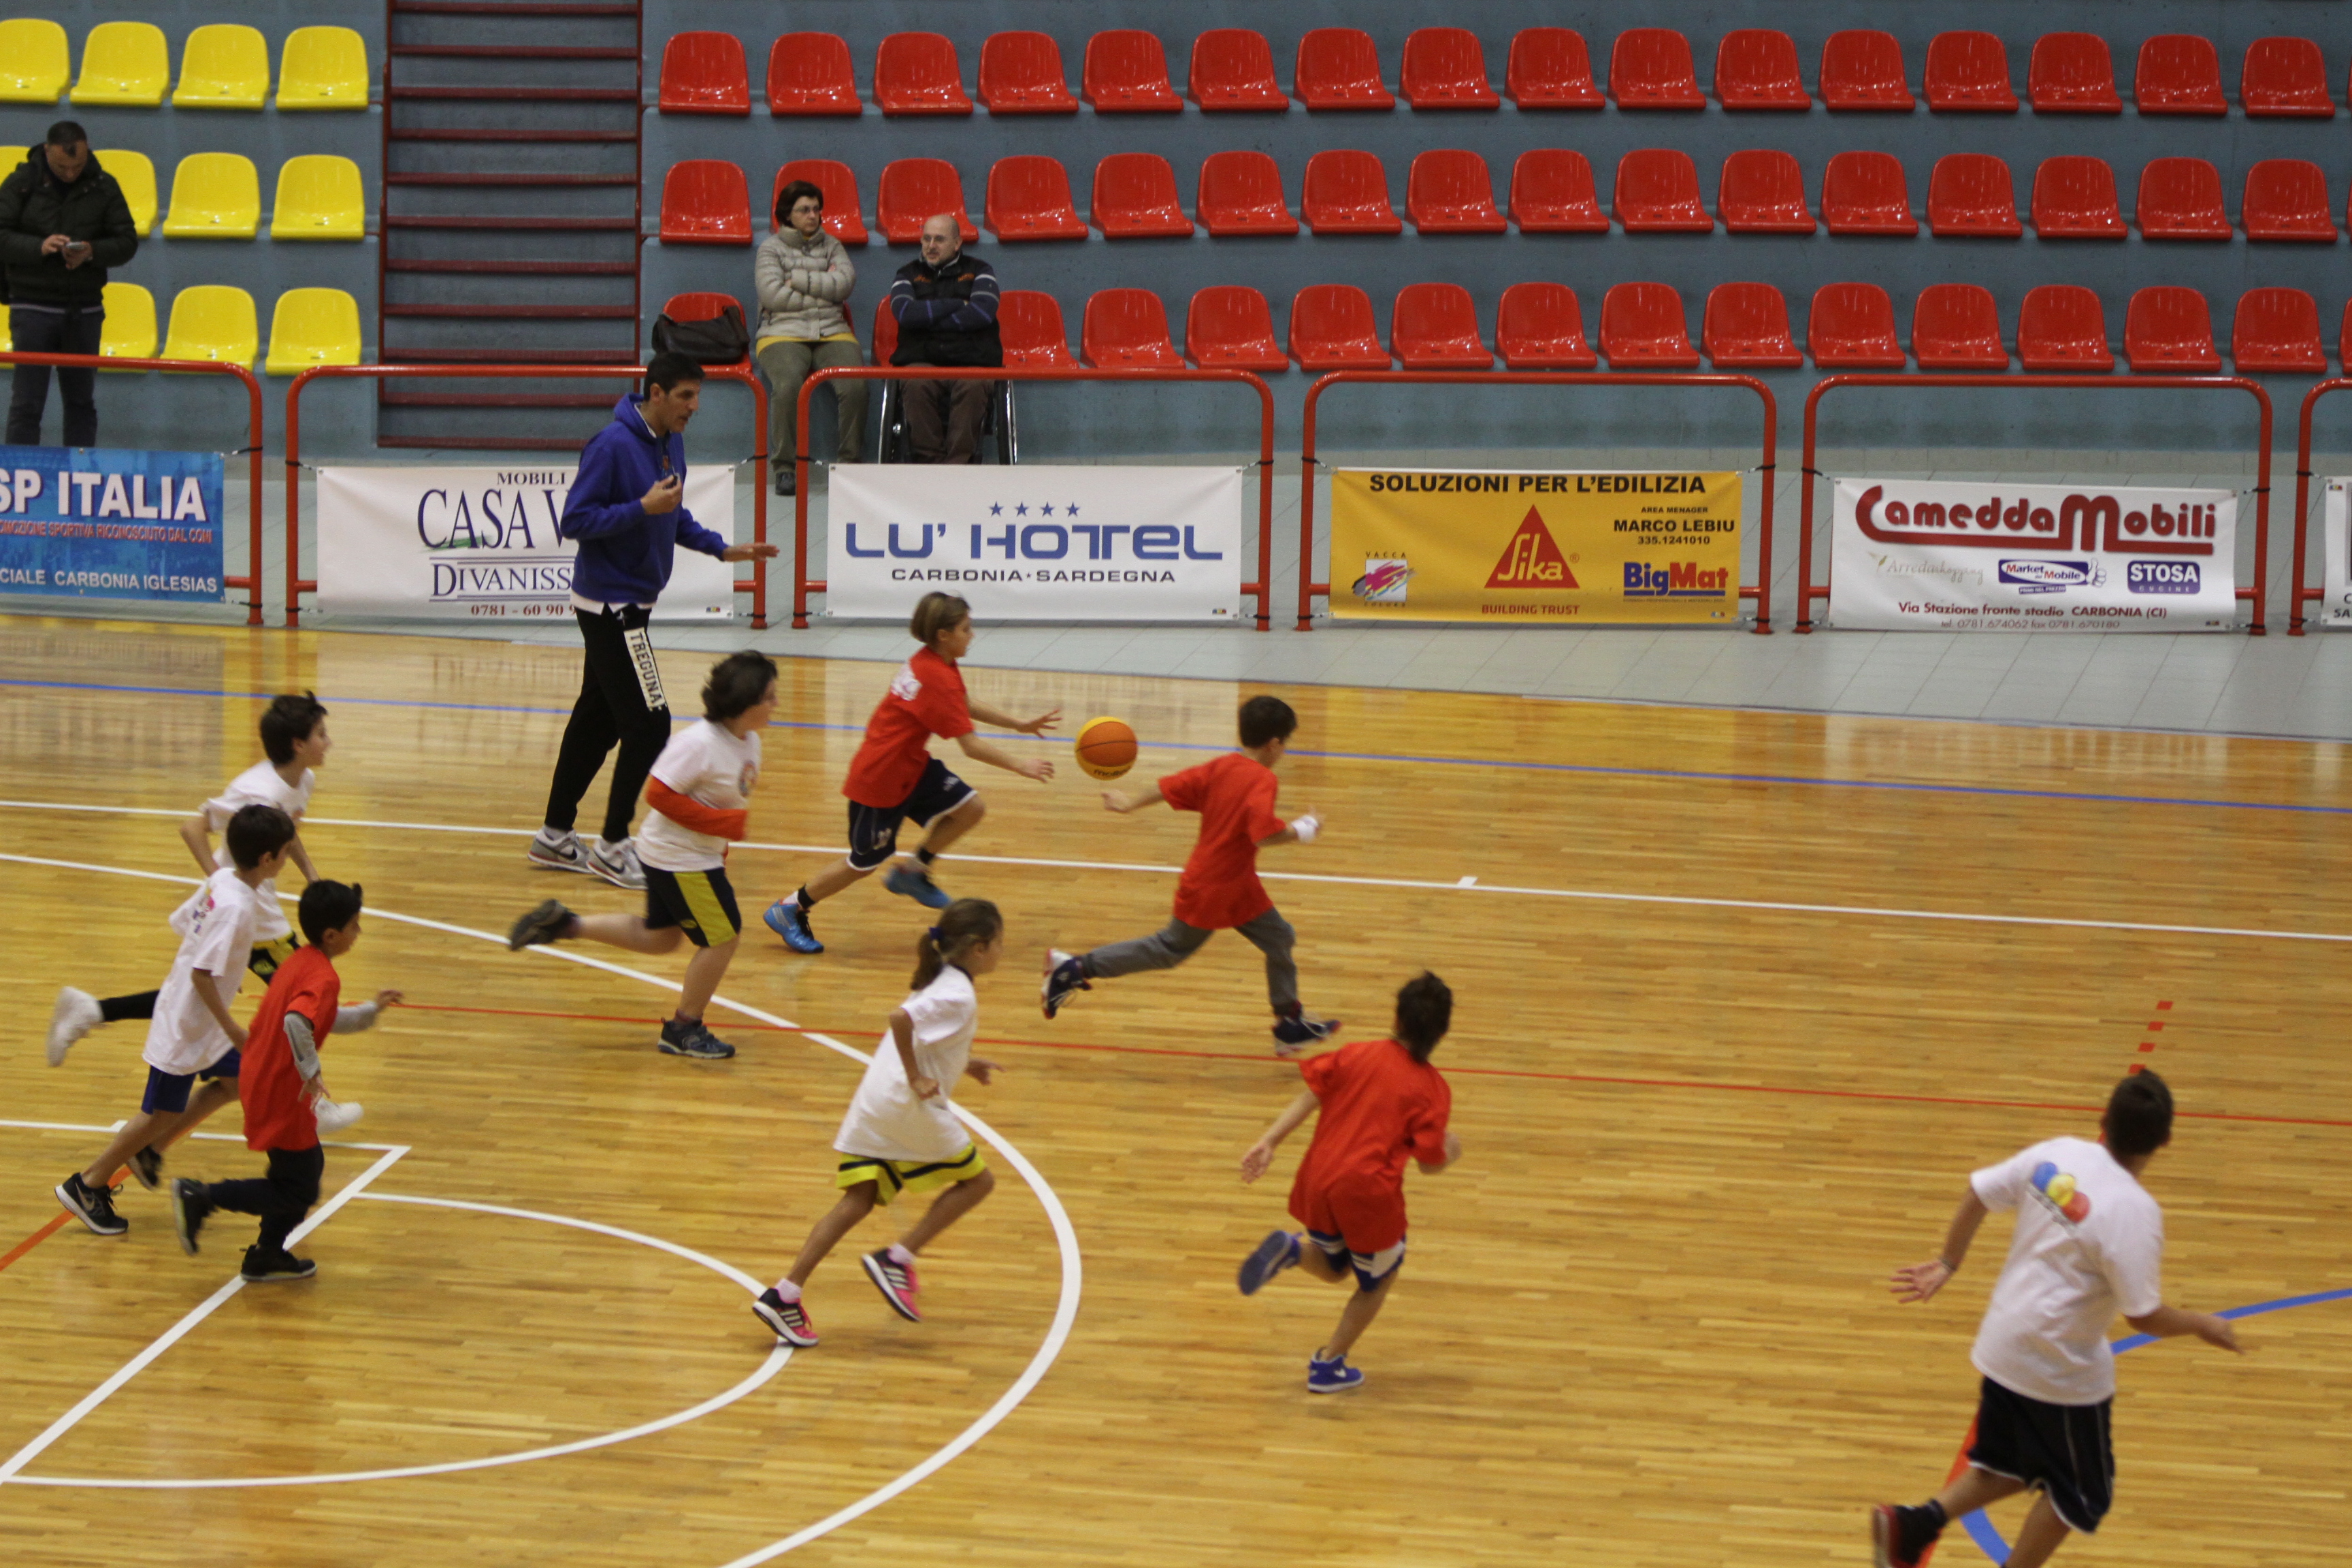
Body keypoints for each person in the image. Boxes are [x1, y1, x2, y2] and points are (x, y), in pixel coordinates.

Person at [1869, 1071, 2244, 1568]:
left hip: (2002, 1344)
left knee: (2005, 1463)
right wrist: (2203, 1324)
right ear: (2165, 1141)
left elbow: (1979, 1193)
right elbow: (2144, 1316)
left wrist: (1948, 1262)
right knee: (2083, 1494)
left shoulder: (2058, 1153)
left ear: (2103, 1121)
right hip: (2056, 1366)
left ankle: (1913, 1525)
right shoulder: (2135, 1212)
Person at [529, 353, 779, 891]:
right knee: (649, 724)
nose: (695, 406)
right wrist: (640, 508)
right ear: (657, 393)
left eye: (698, 396)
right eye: (686, 396)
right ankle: (613, 845)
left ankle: (554, 835)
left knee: (597, 721)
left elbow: (673, 513)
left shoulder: (670, 442)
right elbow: (575, 520)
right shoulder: (611, 446)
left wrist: (722, 549)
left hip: (632, 602)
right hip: (611, 606)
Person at [48, 693, 331, 1104]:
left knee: (192, 996)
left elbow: (286, 832)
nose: (329, 742)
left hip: (254, 903)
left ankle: (93, 1011)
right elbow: (192, 827)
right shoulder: (252, 790)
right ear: (298, 744)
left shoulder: (303, 780)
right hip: (246, 909)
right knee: (301, 997)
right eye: (321, 734)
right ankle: (313, 1102)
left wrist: (311, 877)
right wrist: (222, 884)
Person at [753, 898, 1006, 1347]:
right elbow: (901, 1019)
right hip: (905, 1105)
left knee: (859, 1199)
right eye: (1001, 943)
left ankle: (784, 1294)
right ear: (980, 948)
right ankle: (898, 1258)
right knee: (978, 1182)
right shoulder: (957, 993)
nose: (1003, 951)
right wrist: (917, 1077)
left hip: (876, 1099)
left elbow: (926, 1035)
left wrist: (965, 1063)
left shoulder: (943, 978)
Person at [510, 651, 777, 1060]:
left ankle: (566, 924)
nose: (776, 704)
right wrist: (723, 826)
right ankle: (684, 1028)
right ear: (745, 703)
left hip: (690, 856)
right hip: (680, 859)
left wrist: (721, 841)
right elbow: (659, 794)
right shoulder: (699, 744)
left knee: (661, 938)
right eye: (769, 697)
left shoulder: (749, 741)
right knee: (724, 937)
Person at [1041, 695, 1338, 1053]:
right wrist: (1305, 829)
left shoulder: (1222, 766)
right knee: (1170, 949)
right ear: (1274, 744)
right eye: (1285, 744)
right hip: (1215, 887)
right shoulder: (1262, 780)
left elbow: (1171, 785)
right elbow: (1264, 835)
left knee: (1279, 938)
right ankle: (1073, 969)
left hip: (1236, 882)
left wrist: (1131, 803)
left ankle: (1289, 1023)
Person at [53, 804, 296, 1238]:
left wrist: (227, 971)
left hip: (199, 1018)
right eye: (285, 851)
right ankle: (87, 1184)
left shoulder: (224, 880)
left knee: (239, 1083)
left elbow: (187, 926)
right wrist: (232, 1027)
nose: (287, 858)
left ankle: (148, 1152)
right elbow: (202, 974)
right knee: (159, 1113)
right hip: (188, 1026)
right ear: (266, 859)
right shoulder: (237, 907)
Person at [764, 592, 1055, 954]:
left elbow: (962, 703)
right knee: (863, 863)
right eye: (966, 629)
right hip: (881, 777)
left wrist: (1018, 724)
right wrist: (1020, 765)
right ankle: (790, 908)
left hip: (911, 765)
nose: (973, 635)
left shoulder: (936, 661)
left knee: (970, 808)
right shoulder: (935, 675)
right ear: (944, 635)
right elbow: (970, 746)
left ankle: (913, 872)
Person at [1234, 972, 1460, 1392]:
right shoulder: (1433, 1090)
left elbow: (1310, 1095)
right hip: (1367, 1193)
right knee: (1378, 1280)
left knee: (1336, 1267)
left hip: (1318, 1179)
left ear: (1397, 1019)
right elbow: (1430, 1165)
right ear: (1441, 1033)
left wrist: (1269, 1141)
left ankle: (1293, 1251)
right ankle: (1328, 1365)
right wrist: (1452, 1151)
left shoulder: (1356, 1053)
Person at [168, 880, 400, 1283]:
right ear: (332, 935)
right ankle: (203, 1197)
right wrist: (311, 1072)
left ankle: (266, 1254)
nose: (359, 932)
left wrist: (370, 1010)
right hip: (280, 1089)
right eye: (354, 925)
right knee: (299, 1188)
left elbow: (323, 1018)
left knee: (300, 1172)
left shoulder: (300, 961)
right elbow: (297, 1022)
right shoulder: (322, 977)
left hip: (263, 1077)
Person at [0, 122, 138, 448]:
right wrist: (39, 246)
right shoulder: (20, 183)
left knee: (81, 403)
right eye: (62, 167)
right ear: (47, 151)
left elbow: (127, 241)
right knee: (27, 404)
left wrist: (92, 252)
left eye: (77, 166)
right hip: (32, 305)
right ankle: (19, 473)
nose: (71, 173)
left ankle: (80, 472)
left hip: (84, 308)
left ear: (87, 151)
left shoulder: (105, 186)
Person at [755, 179, 865, 497]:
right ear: (787, 214)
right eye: (804, 210)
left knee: (856, 386)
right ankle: (784, 468)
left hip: (832, 331)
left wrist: (798, 280)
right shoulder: (770, 248)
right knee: (788, 384)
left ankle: (849, 466)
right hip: (781, 333)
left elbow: (845, 284)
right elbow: (773, 296)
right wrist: (824, 290)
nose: (813, 216)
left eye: (816, 209)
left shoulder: (833, 245)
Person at [887, 213, 1000, 464]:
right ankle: (931, 464)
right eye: (926, 239)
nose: (931, 246)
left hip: (972, 360)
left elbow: (982, 313)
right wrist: (957, 304)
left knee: (973, 385)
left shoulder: (981, 270)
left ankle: (957, 465)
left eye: (939, 239)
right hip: (922, 358)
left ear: (957, 243)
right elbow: (905, 314)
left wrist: (927, 320)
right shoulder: (906, 273)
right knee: (916, 384)